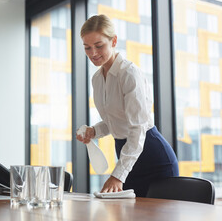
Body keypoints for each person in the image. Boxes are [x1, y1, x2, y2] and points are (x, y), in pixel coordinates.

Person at [76, 14, 179, 197]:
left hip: (152, 157)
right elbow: (114, 120)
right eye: (87, 48)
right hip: (127, 155)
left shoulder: (129, 74)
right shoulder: (97, 79)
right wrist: (94, 131)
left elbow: (137, 129)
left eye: (99, 46)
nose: (93, 53)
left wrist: (118, 175)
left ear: (113, 41)